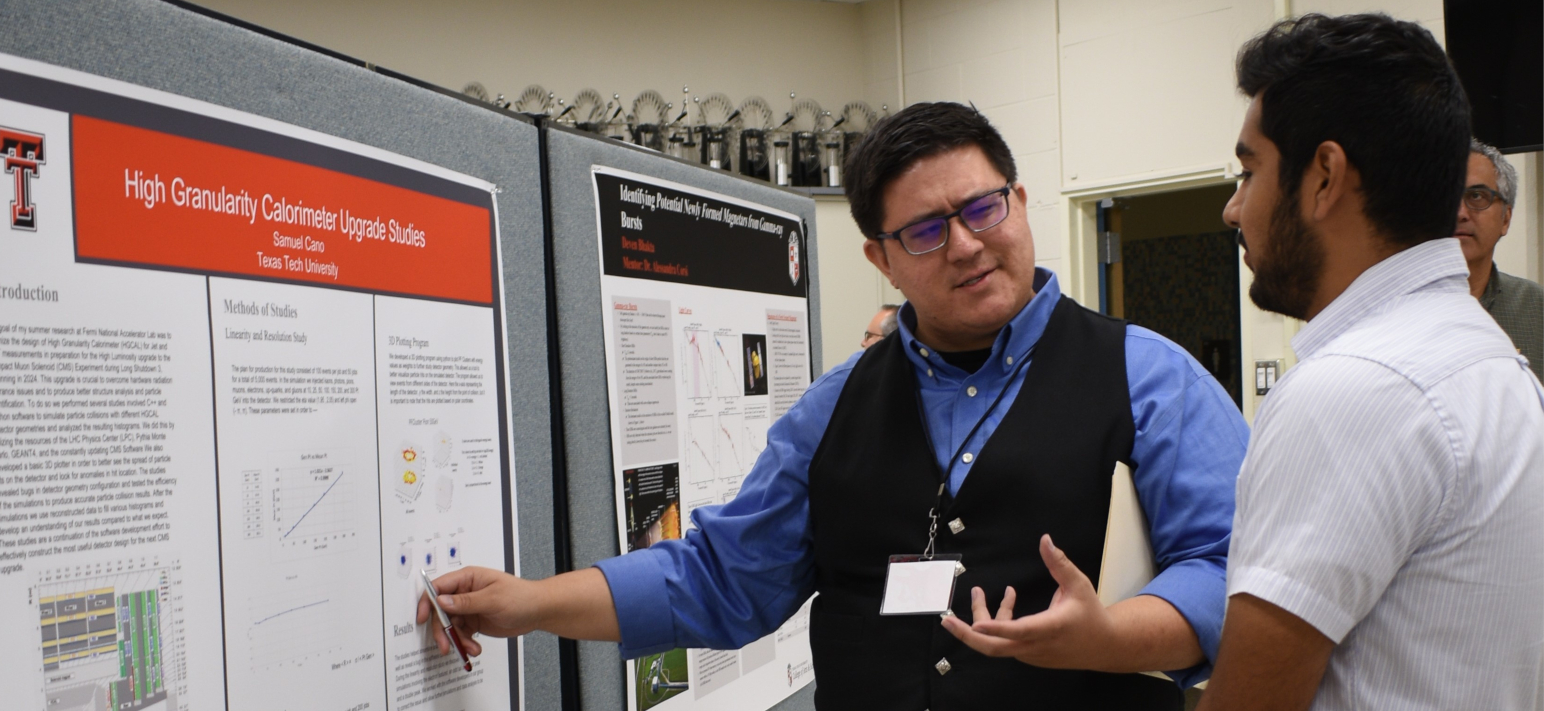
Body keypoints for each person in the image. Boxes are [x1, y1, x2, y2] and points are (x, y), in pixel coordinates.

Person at [419, 102, 1249, 709]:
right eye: (925, 230)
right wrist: (529, 603)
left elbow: (1233, 570)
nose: (964, 243)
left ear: (1021, 204)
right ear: (881, 258)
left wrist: (1115, 637)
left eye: (981, 208)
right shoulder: (832, 407)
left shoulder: (1150, 379)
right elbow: (720, 577)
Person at [1198, 13, 1544, 711]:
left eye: (1249, 171)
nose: (1235, 209)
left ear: (1324, 176)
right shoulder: (1497, 363)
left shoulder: (1349, 390)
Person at [1458, 140, 1543, 379]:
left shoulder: (1536, 309)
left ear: (1505, 219)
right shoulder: (1392, 307)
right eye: (1445, 197)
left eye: (1476, 196)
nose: (1460, 213)